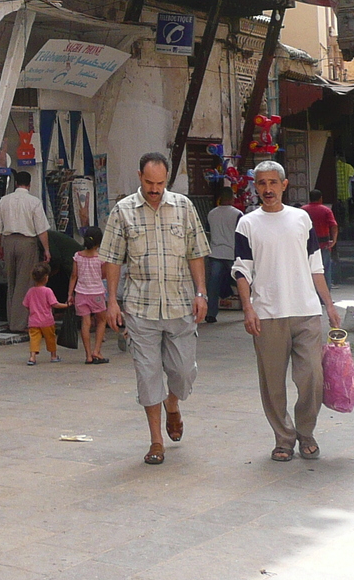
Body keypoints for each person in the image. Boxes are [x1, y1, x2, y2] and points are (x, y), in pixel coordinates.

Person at [103, 152, 209, 466]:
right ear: (140, 177)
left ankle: (172, 405)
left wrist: (201, 293)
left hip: (180, 306)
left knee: (182, 371)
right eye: (149, 182)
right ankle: (155, 441)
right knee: (147, 376)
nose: (154, 189)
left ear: (167, 181)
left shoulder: (183, 207)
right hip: (140, 307)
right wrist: (112, 301)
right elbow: (111, 259)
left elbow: (196, 253)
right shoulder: (123, 211)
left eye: (160, 183)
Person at [232, 160, 342, 462]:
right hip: (267, 314)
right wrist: (248, 308)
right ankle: (283, 438)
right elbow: (242, 269)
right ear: (256, 187)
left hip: (305, 311)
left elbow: (315, 266)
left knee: (312, 378)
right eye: (262, 183)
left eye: (273, 183)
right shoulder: (247, 224)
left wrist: (328, 305)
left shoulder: (301, 219)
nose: (268, 189)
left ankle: (306, 432)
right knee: (272, 384)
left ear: (284, 185)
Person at [0, 170, 52, 333]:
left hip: (9, 241)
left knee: (11, 281)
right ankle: (19, 323)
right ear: (29, 184)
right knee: (24, 283)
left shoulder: (4, 201)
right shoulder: (34, 202)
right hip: (27, 242)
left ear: (16, 183)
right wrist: (46, 249)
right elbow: (41, 230)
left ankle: (12, 319)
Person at [68, 226, 110, 364]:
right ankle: (97, 351)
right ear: (99, 242)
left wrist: (70, 294)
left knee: (85, 323)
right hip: (97, 293)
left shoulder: (77, 256)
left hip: (81, 293)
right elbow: (104, 275)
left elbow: (74, 276)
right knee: (101, 321)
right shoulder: (101, 258)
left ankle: (88, 356)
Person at [205, 187, 243, 323]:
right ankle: (246, 309)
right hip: (231, 253)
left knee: (213, 284)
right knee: (241, 281)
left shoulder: (211, 213)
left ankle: (211, 313)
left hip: (215, 253)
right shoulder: (237, 214)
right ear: (232, 198)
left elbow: (208, 231)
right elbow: (241, 234)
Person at [22, 262, 68, 365]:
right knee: (50, 338)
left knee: (34, 339)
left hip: (33, 321)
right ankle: (53, 356)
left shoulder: (30, 291)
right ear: (46, 278)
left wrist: (33, 310)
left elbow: (25, 304)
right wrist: (66, 305)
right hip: (47, 321)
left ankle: (32, 357)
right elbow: (55, 304)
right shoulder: (47, 291)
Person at [304, 189, 340, 285]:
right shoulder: (326, 210)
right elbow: (334, 226)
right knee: (324, 270)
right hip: (323, 244)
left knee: (307, 270)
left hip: (306, 245)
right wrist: (334, 240)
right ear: (320, 198)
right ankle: (325, 294)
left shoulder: (303, 210)